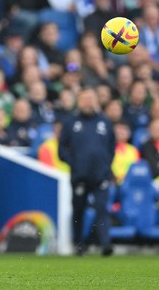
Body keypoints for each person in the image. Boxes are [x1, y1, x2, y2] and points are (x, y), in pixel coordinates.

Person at [59, 88, 115, 256]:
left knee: (101, 209)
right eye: (84, 99)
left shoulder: (105, 122)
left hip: (100, 175)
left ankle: (105, 244)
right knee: (78, 210)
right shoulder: (70, 123)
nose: (87, 102)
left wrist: (105, 165)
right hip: (79, 176)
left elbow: (111, 148)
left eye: (90, 98)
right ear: (78, 101)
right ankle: (78, 244)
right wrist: (74, 164)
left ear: (96, 100)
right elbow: (62, 149)